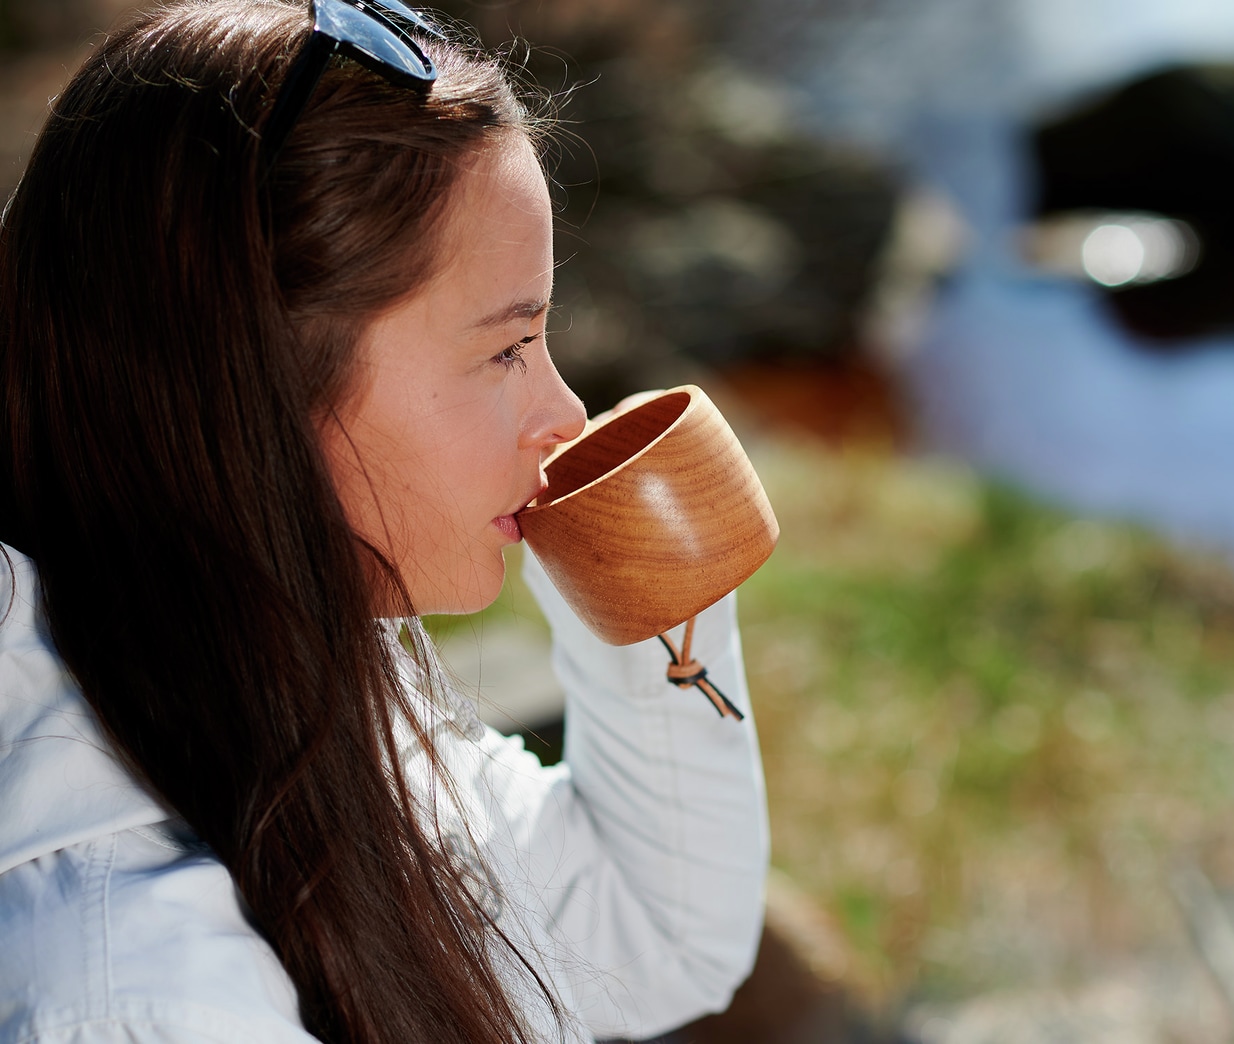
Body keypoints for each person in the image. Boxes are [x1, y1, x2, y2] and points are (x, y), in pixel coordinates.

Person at [0, 2, 768, 1042]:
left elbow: (656, 937)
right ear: (260, 385)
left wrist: (657, 590)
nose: (565, 413)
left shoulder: (288, 695)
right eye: (506, 348)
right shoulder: (144, 998)